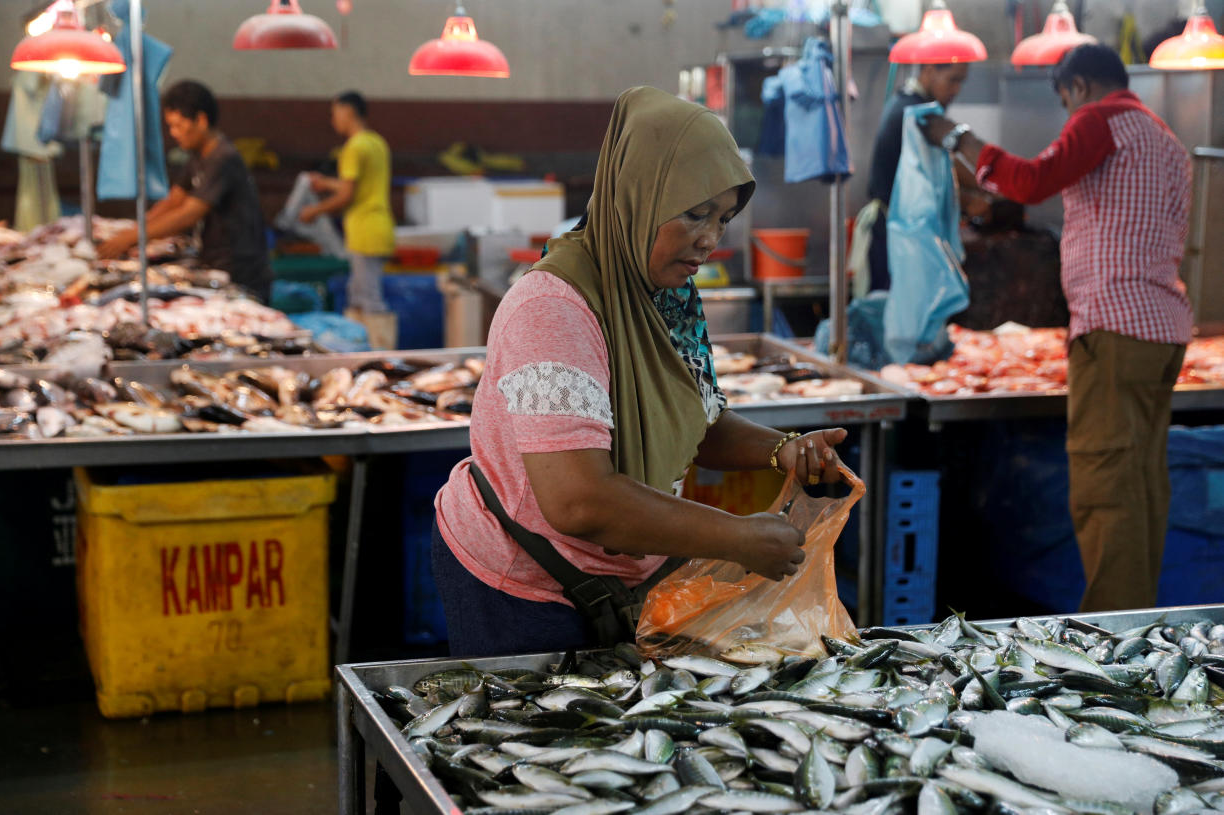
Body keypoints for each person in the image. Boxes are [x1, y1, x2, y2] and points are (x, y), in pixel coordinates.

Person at [432, 86, 848, 657]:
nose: (709, 239)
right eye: (694, 214)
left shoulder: (665, 297)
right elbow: (578, 500)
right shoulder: (553, 308)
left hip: (627, 571)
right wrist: (736, 538)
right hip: (524, 582)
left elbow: (695, 419)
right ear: (638, 197)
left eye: (723, 219)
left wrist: (784, 450)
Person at [922, 44, 1192, 613]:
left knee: (1105, 485)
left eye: (1065, 103)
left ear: (1076, 88)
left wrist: (958, 139)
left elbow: (1029, 181)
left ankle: (1110, 642)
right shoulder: (1163, 137)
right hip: (1161, 329)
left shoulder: (1100, 120)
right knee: (1141, 484)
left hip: (1116, 329)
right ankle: (1140, 621)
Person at [99, 80, 272, 302]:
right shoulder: (198, 155)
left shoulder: (222, 158)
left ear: (200, 120)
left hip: (241, 271)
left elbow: (189, 214)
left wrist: (133, 237)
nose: (173, 133)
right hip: (213, 261)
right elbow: (173, 201)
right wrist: (132, 231)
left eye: (178, 125)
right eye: (170, 126)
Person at [857, 63, 969, 293]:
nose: (956, 89)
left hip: (895, 233)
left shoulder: (908, 103)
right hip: (893, 236)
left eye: (961, 82)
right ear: (929, 70)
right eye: (952, 80)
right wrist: (988, 187)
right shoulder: (914, 113)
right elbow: (944, 170)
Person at [298, 91, 397, 349]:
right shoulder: (376, 142)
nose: (333, 119)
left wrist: (314, 211)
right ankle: (359, 352)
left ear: (348, 111)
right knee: (358, 296)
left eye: (335, 113)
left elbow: (346, 194)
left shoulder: (353, 147)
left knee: (369, 300)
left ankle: (382, 359)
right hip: (379, 227)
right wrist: (325, 183)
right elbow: (356, 185)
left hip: (365, 231)